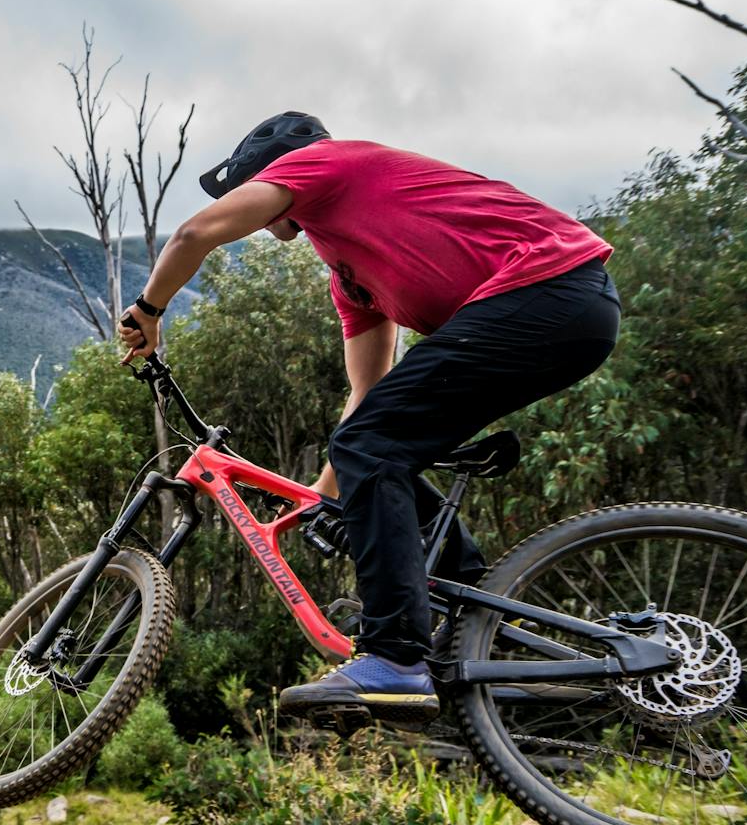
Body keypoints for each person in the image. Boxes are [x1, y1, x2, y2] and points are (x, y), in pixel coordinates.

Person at [117, 113, 622, 723]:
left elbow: (195, 234)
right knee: (381, 448)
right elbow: (368, 393)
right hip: (559, 311)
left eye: (247, 186)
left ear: (272, 170)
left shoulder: (326, 161)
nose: (247, 202)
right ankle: (481, 621)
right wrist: (327, 500)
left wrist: (149, 309)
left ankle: (395, 658)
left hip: (551, 289)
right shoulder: (351, 278)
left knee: (374, 446)